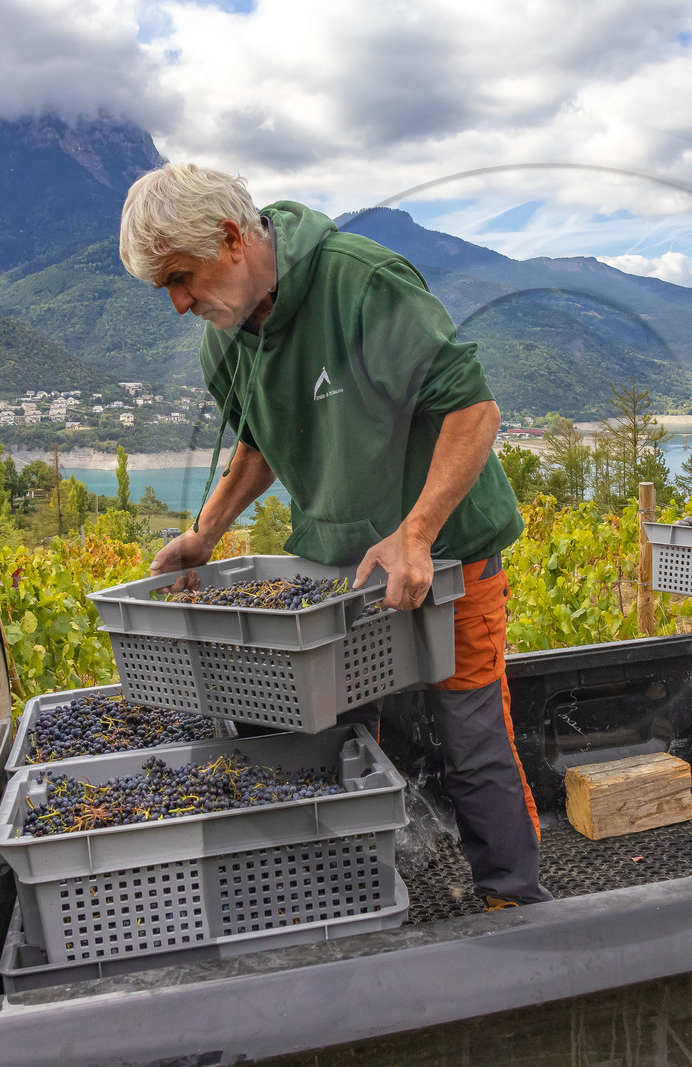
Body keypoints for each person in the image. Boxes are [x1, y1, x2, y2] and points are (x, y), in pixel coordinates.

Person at [118, 162, 550, 908]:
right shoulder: (224, 341)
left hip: (448, 559)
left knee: (472, 743)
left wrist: (415, 533)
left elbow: (472, 411)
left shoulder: (361, 284)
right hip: (340, 575)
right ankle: (352, 909)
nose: (178, 303)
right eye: (165, 289)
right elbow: (260, 444)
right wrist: (204, 532)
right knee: (332, 744)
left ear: (230, 238)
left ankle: (514, 908)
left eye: (181, 278)